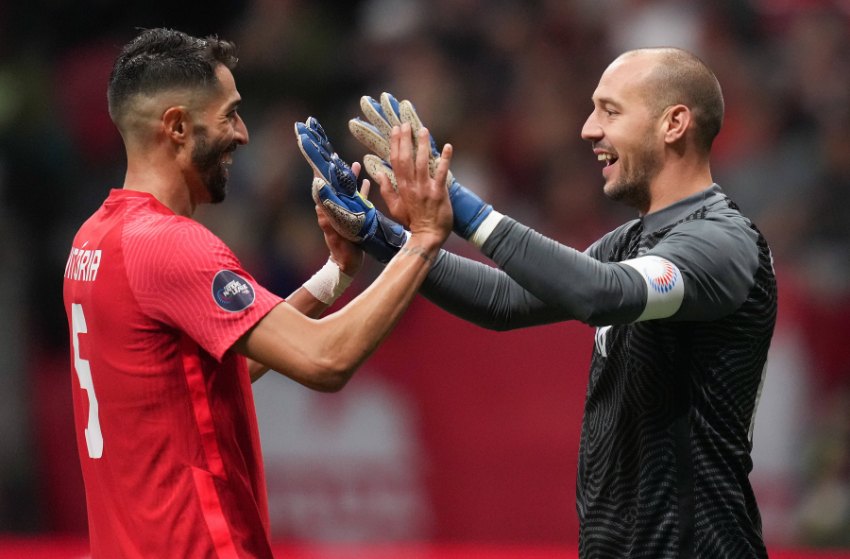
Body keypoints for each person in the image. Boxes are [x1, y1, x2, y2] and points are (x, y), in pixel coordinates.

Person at [306, 47, 777, 558]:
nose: (588, 129)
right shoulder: (631, 243)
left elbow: (599, 295)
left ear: (674, 123)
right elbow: (504, 301)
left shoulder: (722, 243)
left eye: (610, 111)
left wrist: (460, 205)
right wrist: (384, 235)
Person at [62, 27, 453, 558]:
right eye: (229, 115)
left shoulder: (95, 240)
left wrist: (334, 275)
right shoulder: (172, 247)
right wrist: (424, 240)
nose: (242, 135)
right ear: (177, 127)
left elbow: (204, 375)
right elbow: (325, 360)